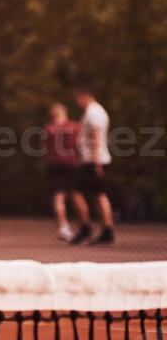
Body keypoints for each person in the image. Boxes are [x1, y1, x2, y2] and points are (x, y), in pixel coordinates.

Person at [69, 85, 115, 245]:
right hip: (93, 160)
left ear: (84, 96)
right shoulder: (92, 111)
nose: (77, 103)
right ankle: (107, 229)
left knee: (76, 191)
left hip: (94, 161)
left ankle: (86, 226)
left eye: (78, 99)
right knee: (98, 194)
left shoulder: (94, 112)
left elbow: (96, 136)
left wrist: (96, 162)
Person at [44, 102, 87, 241]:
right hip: (72, 164)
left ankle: (63, 226)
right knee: (76, 195)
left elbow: (44, 146)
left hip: (55, 164)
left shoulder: (49, 128)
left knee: (58, 197)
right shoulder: (75, 127)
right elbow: (81, 145)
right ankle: (84, 225)